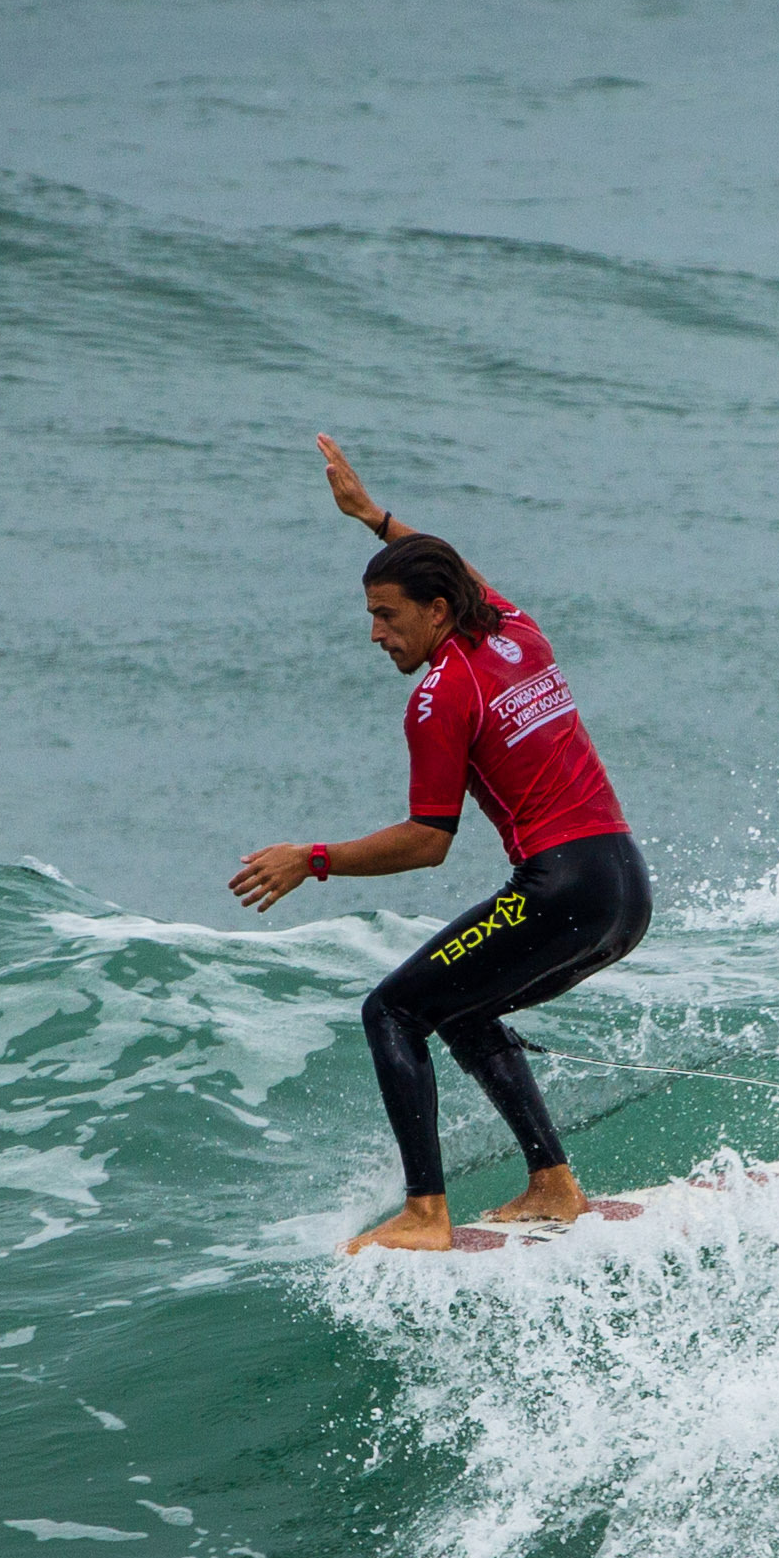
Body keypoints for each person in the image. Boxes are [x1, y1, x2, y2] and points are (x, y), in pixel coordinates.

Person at [231, 438, 651, 1251]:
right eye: (370, 616)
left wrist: (311, 860)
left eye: (387, 616)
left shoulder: (441, 696)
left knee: (391, 1010)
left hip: (561, 885)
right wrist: (373, 517)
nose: (375, 634)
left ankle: (425, 1211)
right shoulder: (517, 632)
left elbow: (427, 842)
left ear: (435, 611)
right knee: (463, 1007)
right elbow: (456, 568)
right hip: (624, 888)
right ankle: (553, 1184)